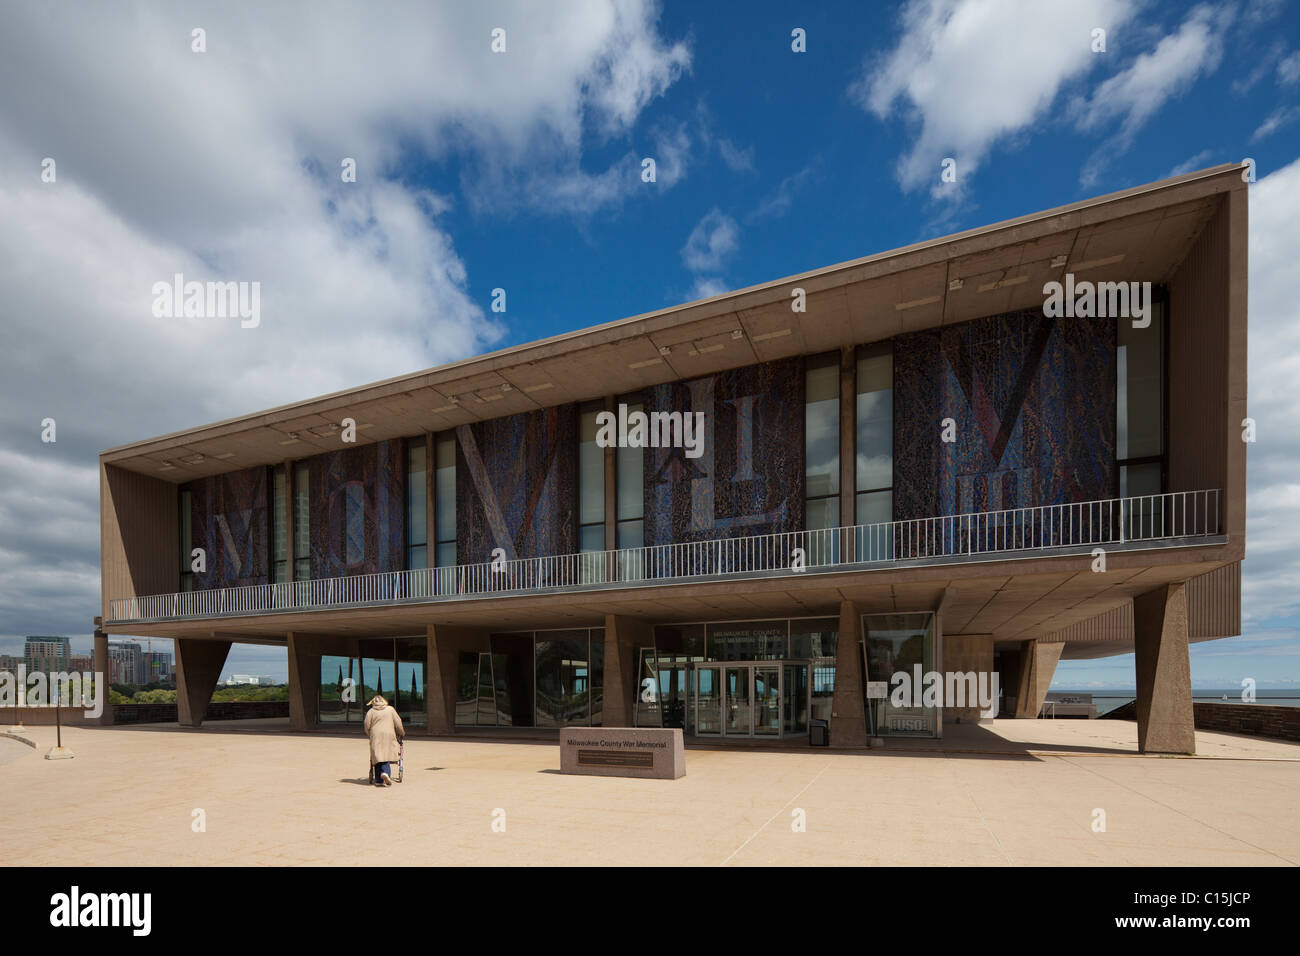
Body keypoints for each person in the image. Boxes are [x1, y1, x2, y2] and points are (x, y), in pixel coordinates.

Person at [364, 694, 404, 786]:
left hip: (376, 735)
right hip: (389, 735)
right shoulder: (390, 709)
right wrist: (402, 733)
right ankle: (385, 773)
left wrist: (369, 734)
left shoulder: (371, 711)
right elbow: (398, 723)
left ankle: (378, 780)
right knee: (386, 753)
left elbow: (366, 725)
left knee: (377, 755)